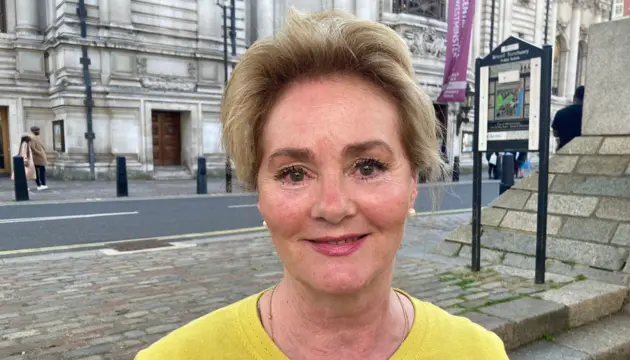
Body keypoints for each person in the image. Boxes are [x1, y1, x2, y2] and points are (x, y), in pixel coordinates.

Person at [136, 9, 508, 360]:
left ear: (413, 182)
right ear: (259, 194)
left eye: (368, 166)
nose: (333, 207)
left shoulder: (478, 352)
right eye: (294, 173)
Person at [552, 86, 584, 151]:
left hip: (563, 151)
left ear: (574, 97)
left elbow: (555, 133)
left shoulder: (560, 113)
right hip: (581, 151)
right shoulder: (587, 115)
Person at [29, 126, 48, 190]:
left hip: (39, 157)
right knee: (39, 171)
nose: (39, 132)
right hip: (37, 157)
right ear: (34, 131)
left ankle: (42, 184)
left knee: (40, 170)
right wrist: (40, 153)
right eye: (38, 130)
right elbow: (33, 147)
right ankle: (41, 184)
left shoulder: (35, 137)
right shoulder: (32, 138)